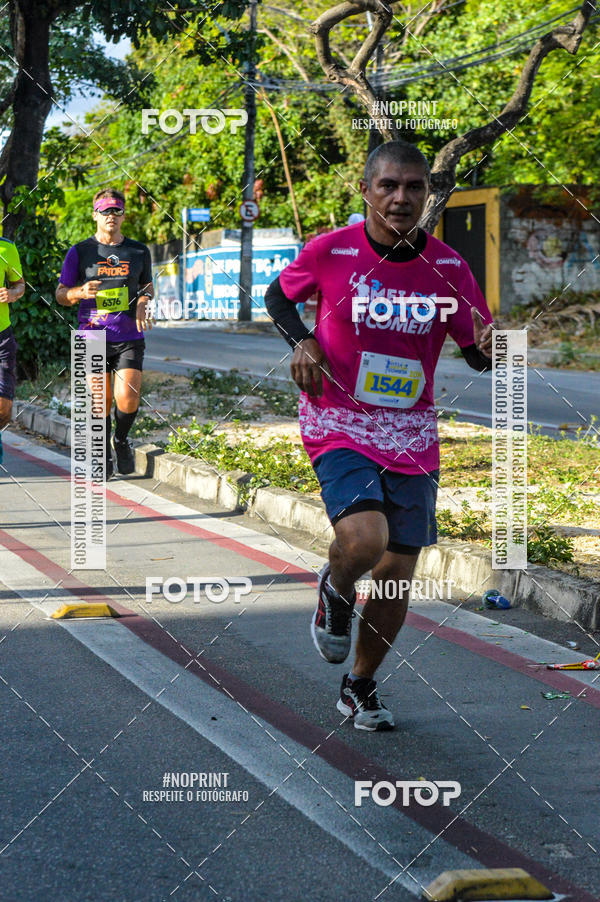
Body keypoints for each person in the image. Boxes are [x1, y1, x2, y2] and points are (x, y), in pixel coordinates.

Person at [265, 141, 494, 732]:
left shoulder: (448, 268)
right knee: (364, 542)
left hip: (412, 432)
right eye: (388, 185)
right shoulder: (331, 250)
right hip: (338, 419)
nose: (400, 197)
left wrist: (492, 349)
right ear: (365, 190)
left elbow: (475, 353)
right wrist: (303, 340)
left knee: (397, 571)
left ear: (427, 195)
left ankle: (359, 686)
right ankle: (336, 590)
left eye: (413, 187)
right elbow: (276, 296)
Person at [56, 188, 154, 477]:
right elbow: (61, 294)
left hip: (129, 337)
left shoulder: (138, 251)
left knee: (128, 399)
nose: (111, 215)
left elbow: (147, 287)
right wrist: (79, 292)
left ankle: (121, 440)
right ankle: (103, 459)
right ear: (95, 215)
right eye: (105, 210)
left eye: (116, 210)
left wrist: (144, 302)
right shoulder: (80, 252)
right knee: (101, 402)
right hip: (92, 336)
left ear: (123, 215)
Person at [0, 237, 26, 467]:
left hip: (2, 336)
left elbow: (20, 285)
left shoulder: (6, 248)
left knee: (3, 409)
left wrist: (12, 294)